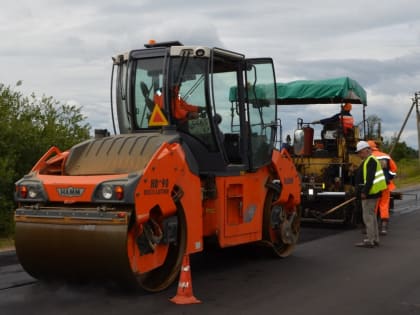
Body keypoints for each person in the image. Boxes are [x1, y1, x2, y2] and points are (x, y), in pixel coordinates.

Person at [354, 140, 387, 248]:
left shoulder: (371, 161)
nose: (359, 154)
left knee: (368, 218)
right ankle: (375, 239)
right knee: (371, 217)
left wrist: (364, 192)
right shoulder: (369, 160)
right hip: (372, 193)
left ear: (366, 150)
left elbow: (370, 178)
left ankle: (370, 240)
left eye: (360, 152)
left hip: (370, 194)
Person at [368, 140, 398, 235]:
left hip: (374, 186)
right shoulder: (386, 156)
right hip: (385, 185)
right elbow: (394, 169)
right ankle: (384, 227)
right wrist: (390, 177)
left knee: (374, 205)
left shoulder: (369, 157)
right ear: (376, 147)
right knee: (384, 204)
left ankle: (373, 227)